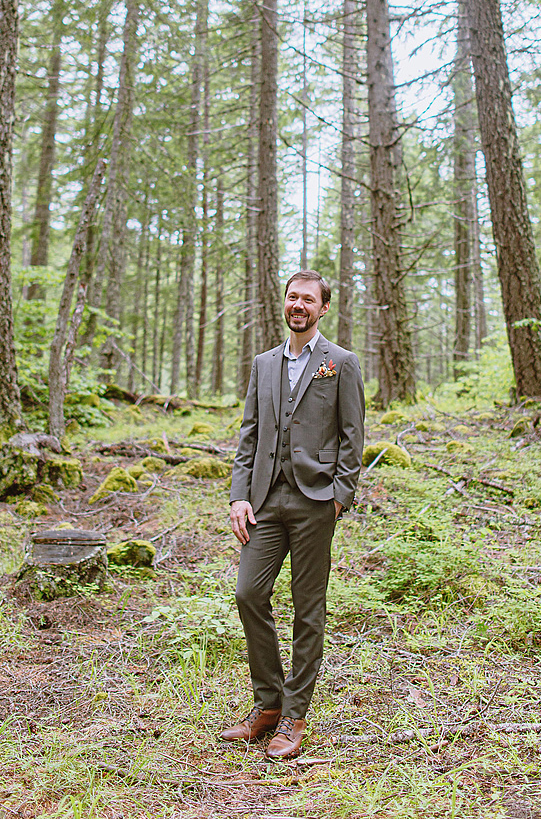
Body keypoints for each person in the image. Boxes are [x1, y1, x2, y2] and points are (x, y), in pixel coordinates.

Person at [220, 270, 363, 759]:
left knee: (308, 609)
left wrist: (339, 497)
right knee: (248, 593)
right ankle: (267, 704)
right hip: (264, 501)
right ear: (284, 304)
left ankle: (294, 716)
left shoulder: (341, 363)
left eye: (308, 299)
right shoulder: (263, 364)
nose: (298, 305)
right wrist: (240, 496)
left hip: (315, 502)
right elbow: (249, 436)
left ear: (324, 308)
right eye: (292, 297)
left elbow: (352, 436)